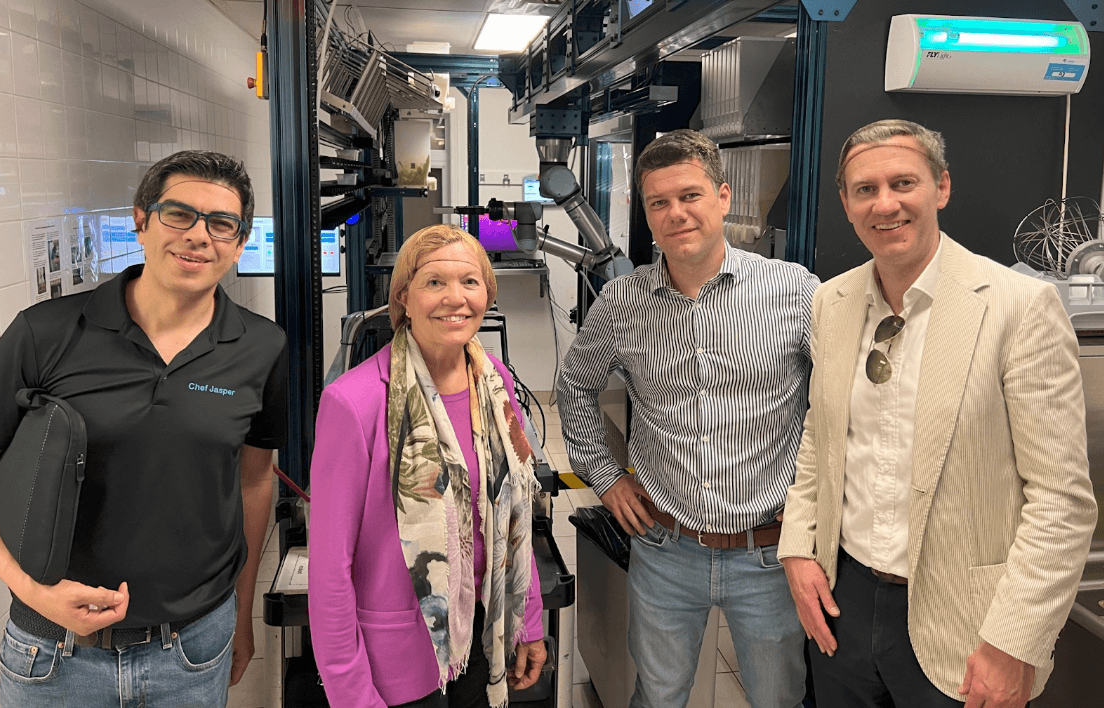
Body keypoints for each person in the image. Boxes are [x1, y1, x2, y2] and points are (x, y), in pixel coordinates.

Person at [778, 119, 1097, 708]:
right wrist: (798, 548)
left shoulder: (1018, 308)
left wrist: (1015, 641)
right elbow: (819, 439)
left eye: (903, 183)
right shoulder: (832, 301)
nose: (885, 204)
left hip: (967, 626)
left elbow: (1061, 501)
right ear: (846, 204)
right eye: (865, 189)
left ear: (941, 187)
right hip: (844, 604)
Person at [0, 150, 288, 706]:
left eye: (221, 224)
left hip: (192, 651)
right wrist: (31, 592)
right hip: (53, 656)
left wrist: (242, 614)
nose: (199, 236)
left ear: (240, 243)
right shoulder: (45, 334)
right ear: (141, 221)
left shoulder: (262, 347)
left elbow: (253, 481)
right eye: (179, 214)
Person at [556, 128, 818, 708]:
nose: (676, 213)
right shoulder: (622, 302)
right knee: (658, 697)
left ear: (723, 197)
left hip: (770, 553)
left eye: (690, 195)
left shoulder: (794, 290)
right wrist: (606, 477)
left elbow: (838, 400)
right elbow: (575, 385)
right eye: (659, 202)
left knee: (778, 700)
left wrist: (818, 499)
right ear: (647, 215)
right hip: (666, 548)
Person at [308, 224, 547, 708]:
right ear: (404, 296)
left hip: (485, 638)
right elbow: (330, 570)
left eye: (470, 282)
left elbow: (514, 511)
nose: (454, 298)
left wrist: (530, 621)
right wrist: (351, 695)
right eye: (434, 282)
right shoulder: (354, 402)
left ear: (487, 295)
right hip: (397, 659)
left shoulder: (495, 381)